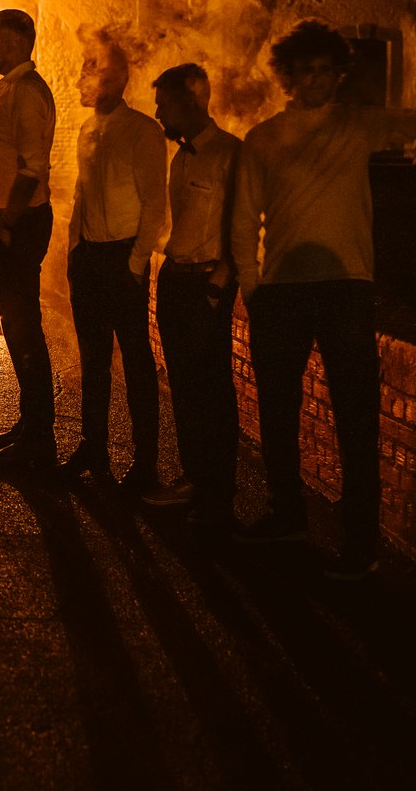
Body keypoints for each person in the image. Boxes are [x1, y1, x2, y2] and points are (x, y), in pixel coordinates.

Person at [232, 19, 416, 580]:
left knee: (355, 417)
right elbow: (244, 216)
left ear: (337, 75)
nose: (317, 81)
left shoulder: (359, 126)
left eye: (326, 70)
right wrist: (253, 288)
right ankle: (286, 512)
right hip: (283, 289)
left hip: (347, 286)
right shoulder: (263, 138)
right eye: (306, 71)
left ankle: (360, 540)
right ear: (289, 76)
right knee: (278, 412)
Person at [62, 30, 166, 492]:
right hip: (90, 256)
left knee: (138, 362)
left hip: (123, 257)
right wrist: (75, 249)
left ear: (119, 78)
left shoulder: (143, 131)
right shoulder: (88, 129)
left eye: (93, 67)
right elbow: (83, 194)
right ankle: (93, 446)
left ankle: (146, 463)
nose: (84, 75)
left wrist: (136, 262)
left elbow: (155, 204)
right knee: (93, 359)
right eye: (84, 66)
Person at [151, 63, 241, 526]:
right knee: (184, 388)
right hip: (175, 278)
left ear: (192, 99)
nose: (159, 113)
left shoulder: (230, 155)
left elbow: (241, 228)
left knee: (213, 390)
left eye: (164, 104)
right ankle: (194, 479)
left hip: (206, 282)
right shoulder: (180, 157)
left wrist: (218, 285)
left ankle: (218, 491)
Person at [0, 10, 58, 466]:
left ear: (13, 41)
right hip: (12, 217)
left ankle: (39, 442)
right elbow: (12, 157)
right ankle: (31, 425)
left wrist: (6, 220)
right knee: (16, 324)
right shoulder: (12, 89)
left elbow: (33, 168)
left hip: (19, 223)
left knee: (24, 327)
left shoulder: (26, 93)